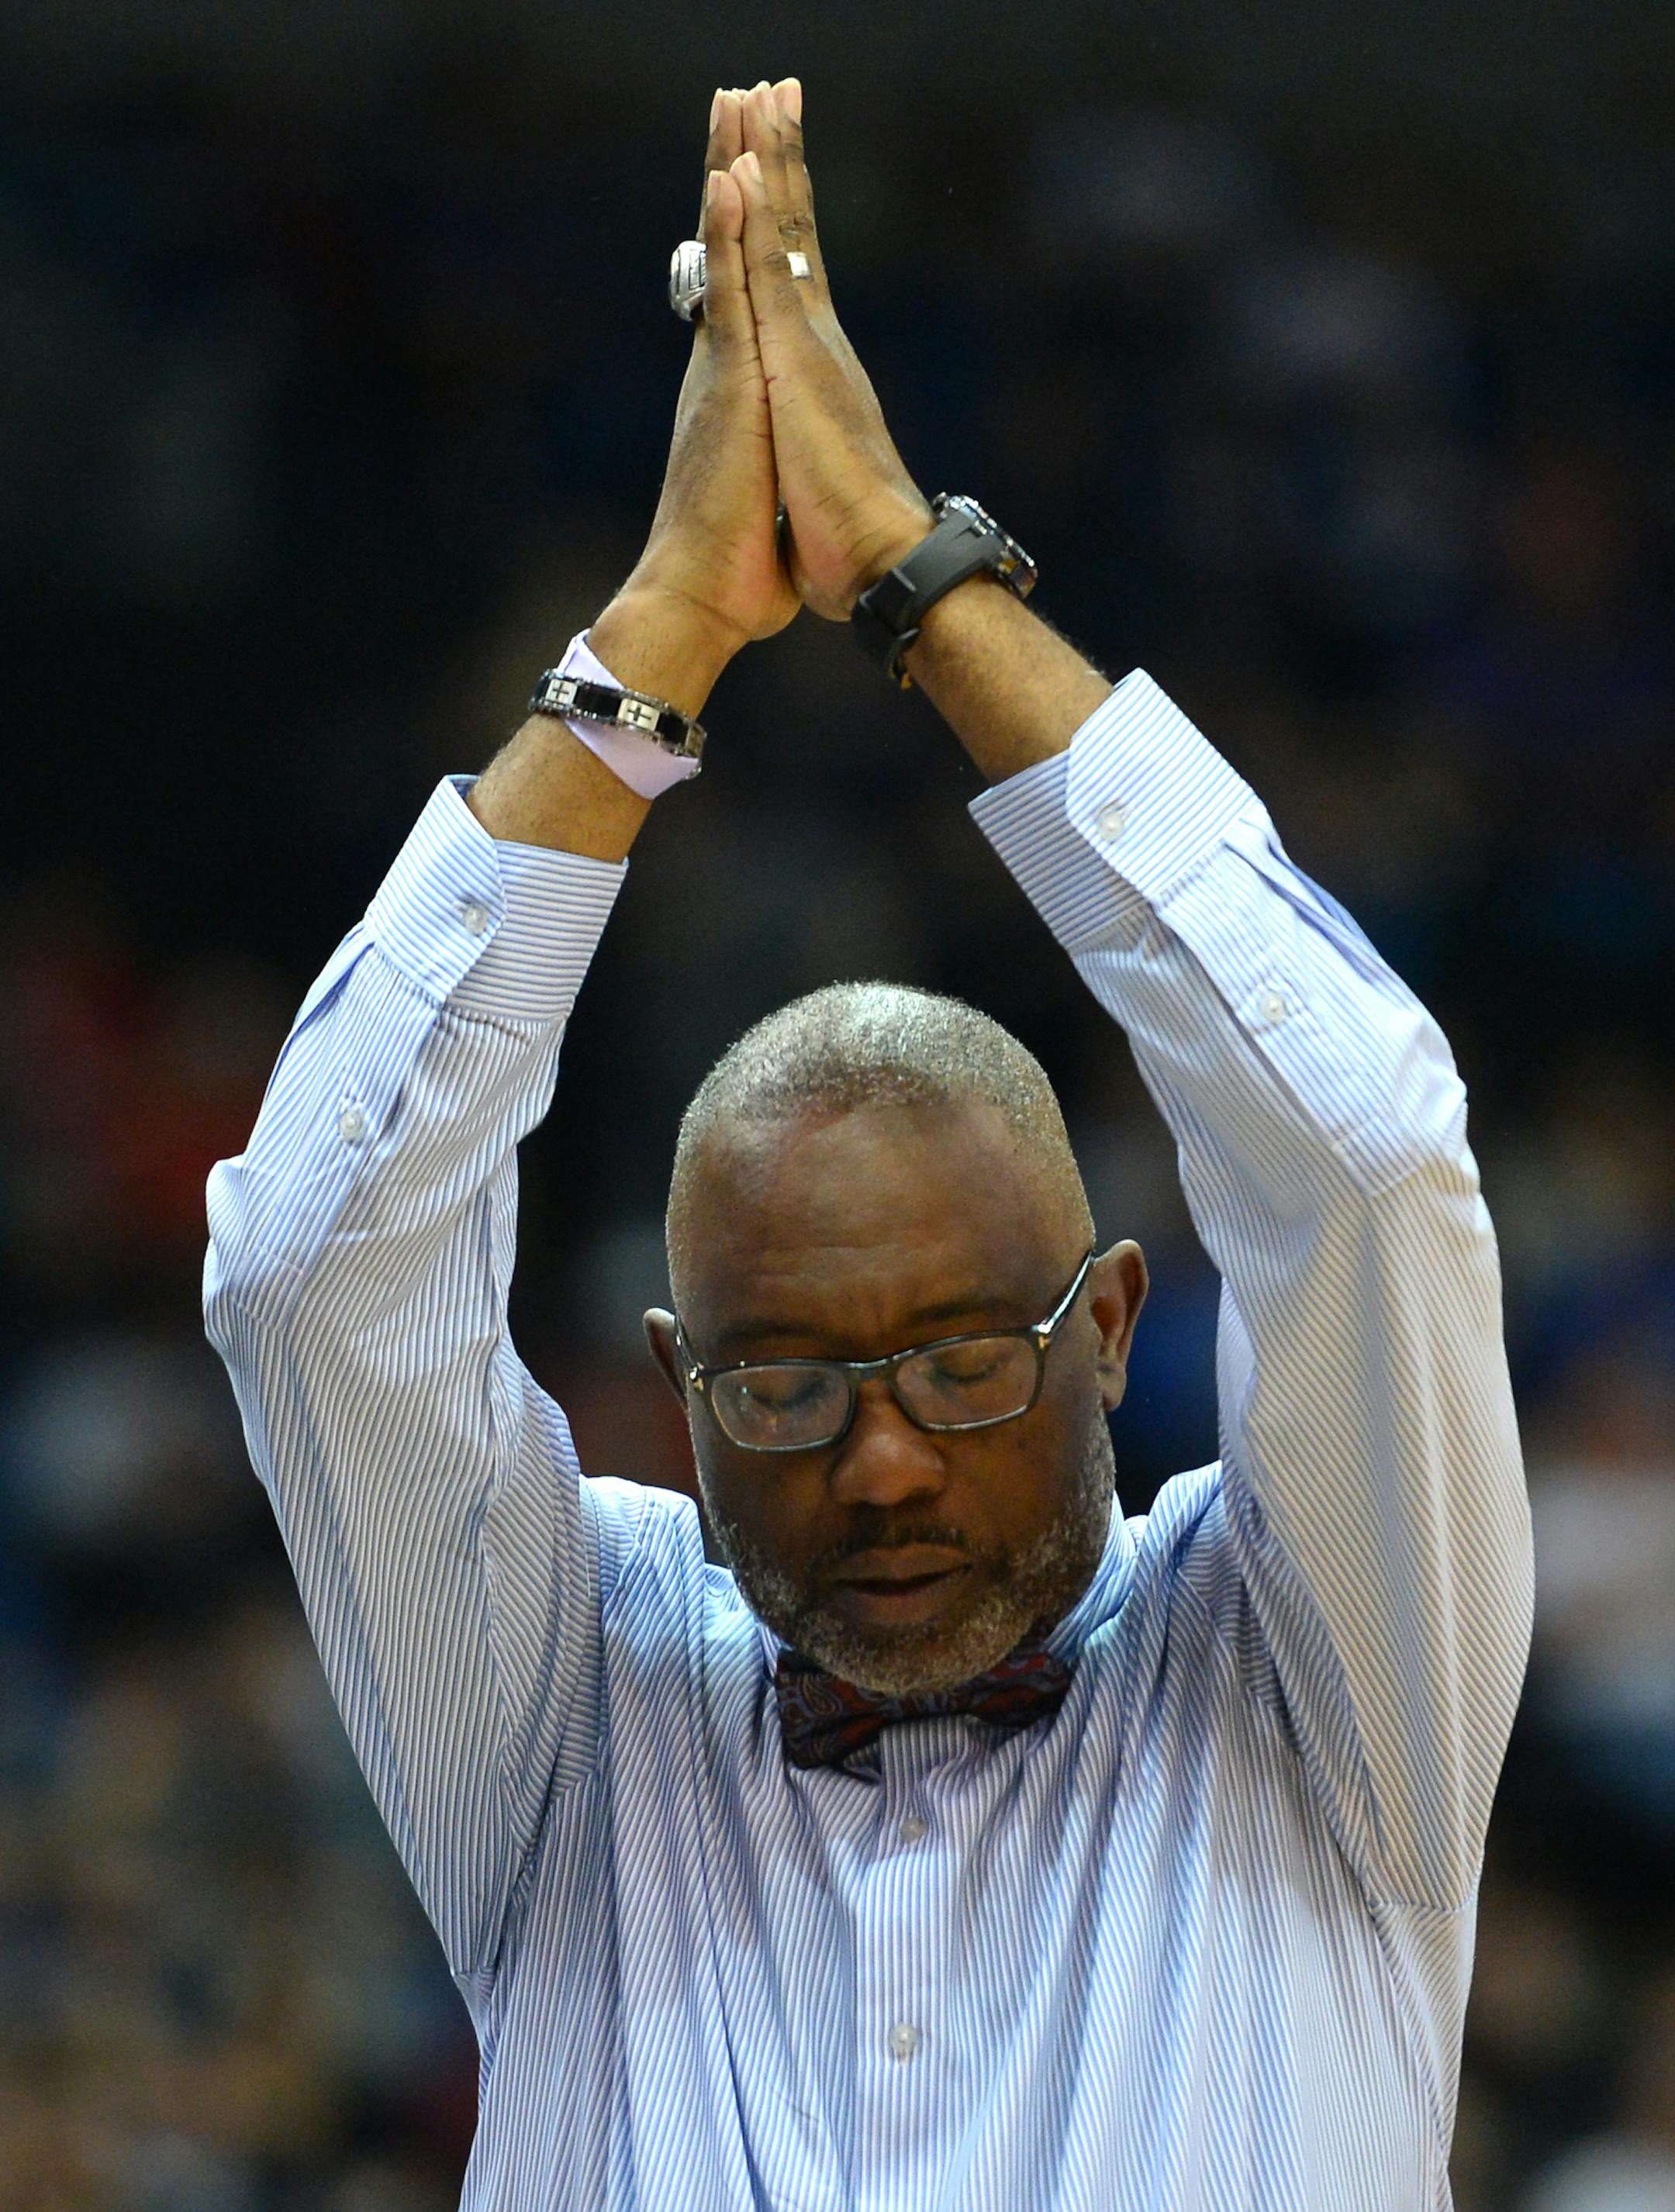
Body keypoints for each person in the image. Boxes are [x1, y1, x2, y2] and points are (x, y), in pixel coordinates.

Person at [205, 78, 1534, 2212]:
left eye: (960, 1361)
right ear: (678, 1385)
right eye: (792, 1384)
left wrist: (921, 586)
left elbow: (1365, 1158)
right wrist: (657, 638)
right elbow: (308, 1269)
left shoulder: (1326, 1682)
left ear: (1109, 1326)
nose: (886, 1461)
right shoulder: (573, 1711)